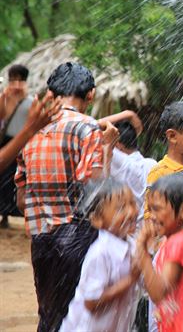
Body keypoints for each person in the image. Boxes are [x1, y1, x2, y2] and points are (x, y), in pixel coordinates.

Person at [15, 62, 118, 331]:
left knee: (48, 317)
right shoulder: (88, 129)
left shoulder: (31, 132)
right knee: (75, 319)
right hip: (76, 241)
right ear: (91, 94)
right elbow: (97, 192)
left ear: (52, 93)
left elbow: (19, 200)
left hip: (40, 241)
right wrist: (107, 148)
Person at [135, 173, 183, 332]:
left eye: (157, 209)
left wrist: (142, 251)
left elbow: (159, 293)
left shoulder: (179, 243)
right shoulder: (176, 240)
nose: (152, 217)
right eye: (150, 210)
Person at [60, 179, 140, 331]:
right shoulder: (100, 253)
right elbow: (91, 302)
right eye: (120, 208)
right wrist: (130, 279)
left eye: (133, 203)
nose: (131, 212)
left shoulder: (133, 245)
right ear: (97, 219)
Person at [0, 64, 34, 227]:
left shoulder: (31, 101)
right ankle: (4, 215)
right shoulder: (4, 99)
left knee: (18, 180)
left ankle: (17, 213)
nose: (16, 84)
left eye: (19, 80)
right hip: (6, 143)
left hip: (24, 144)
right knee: (3, 179)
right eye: (13, 79)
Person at [109, 118, 158, 222]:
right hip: (150, 228)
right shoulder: (152, 164)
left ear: (117, 145)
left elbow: (91, 128)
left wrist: (127, 114)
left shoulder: (122, 163)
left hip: (128, 230)